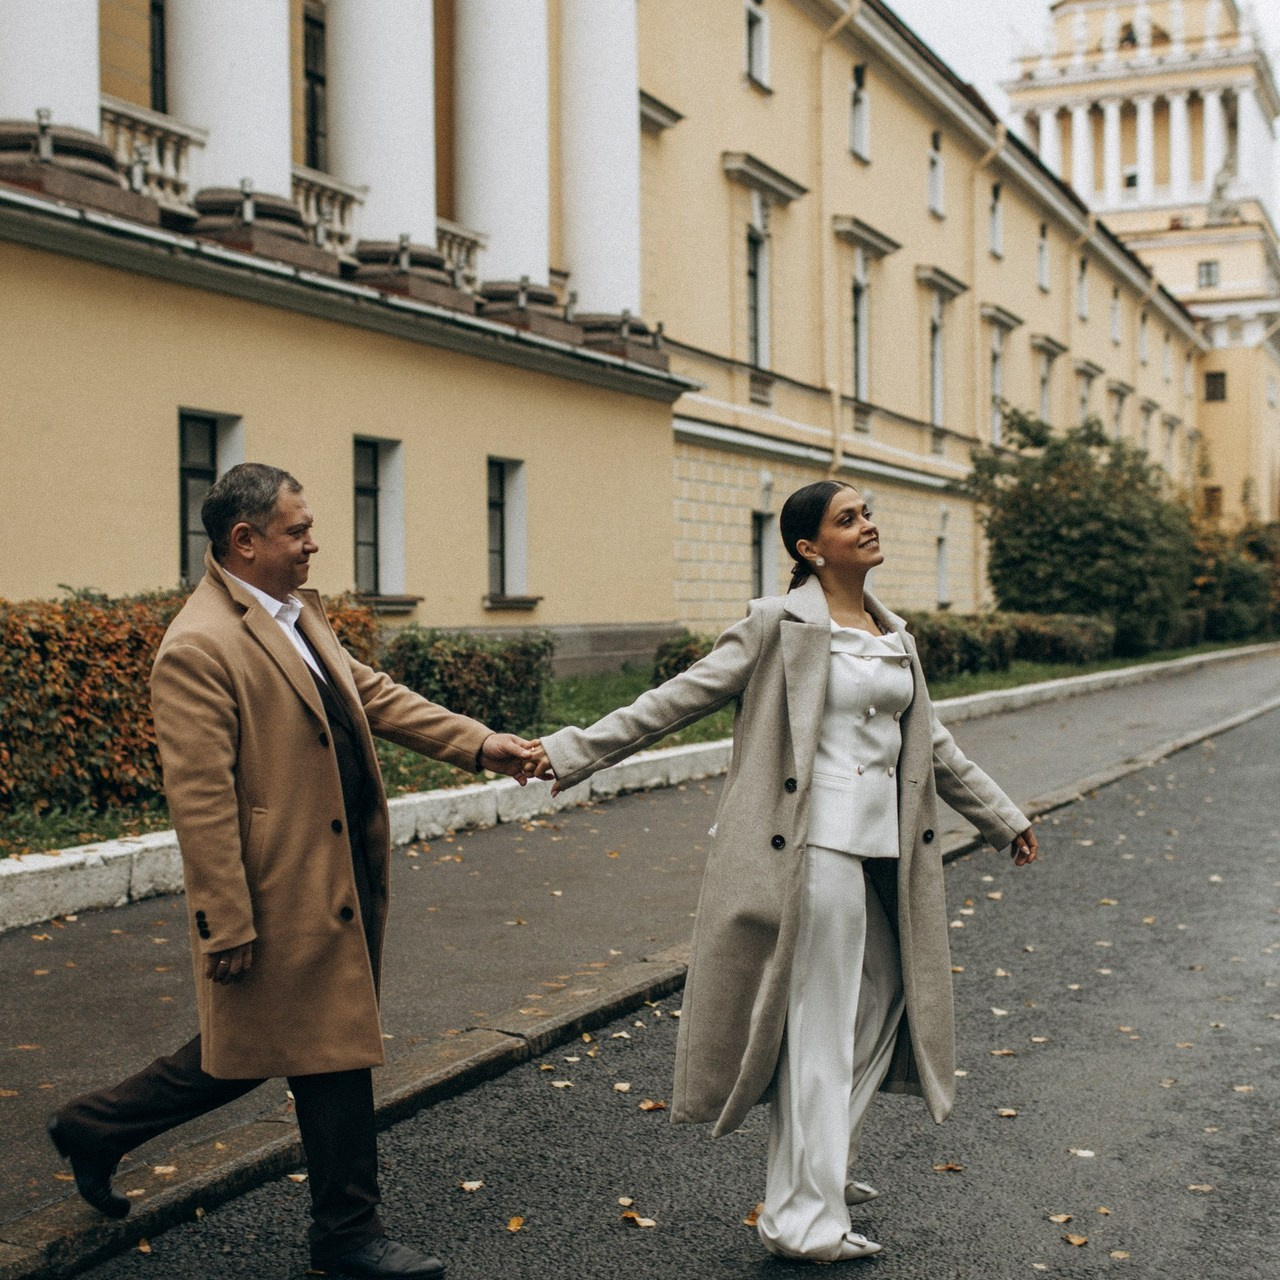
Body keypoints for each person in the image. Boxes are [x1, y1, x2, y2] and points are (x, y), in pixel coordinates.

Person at [47, 463, 535, 1280]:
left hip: (335, 870)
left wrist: (478, 743)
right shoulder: (199, 645)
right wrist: (225, 922)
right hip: (279, 887)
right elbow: (201, 801)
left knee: (262, 1046)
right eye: (298, 531)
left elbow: (370, 694)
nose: (315, 543)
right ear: (245, 539)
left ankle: (96, 1126)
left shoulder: (295, 614)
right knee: (326, 1047)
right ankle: (346, 1237)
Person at [528, 480, 1037, 1262]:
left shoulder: (890, 632)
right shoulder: (777, 626)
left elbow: (931, 747)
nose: (867, 525)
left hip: (885, 858)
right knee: (823, 1031)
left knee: (885, 1006)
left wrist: (1002, 818)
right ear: (809, 547)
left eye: (866, 513)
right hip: (811, 852)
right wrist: (570, 754)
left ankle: (818, 1169)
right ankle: (804, 1220)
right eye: (847, 519)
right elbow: (673, 701)